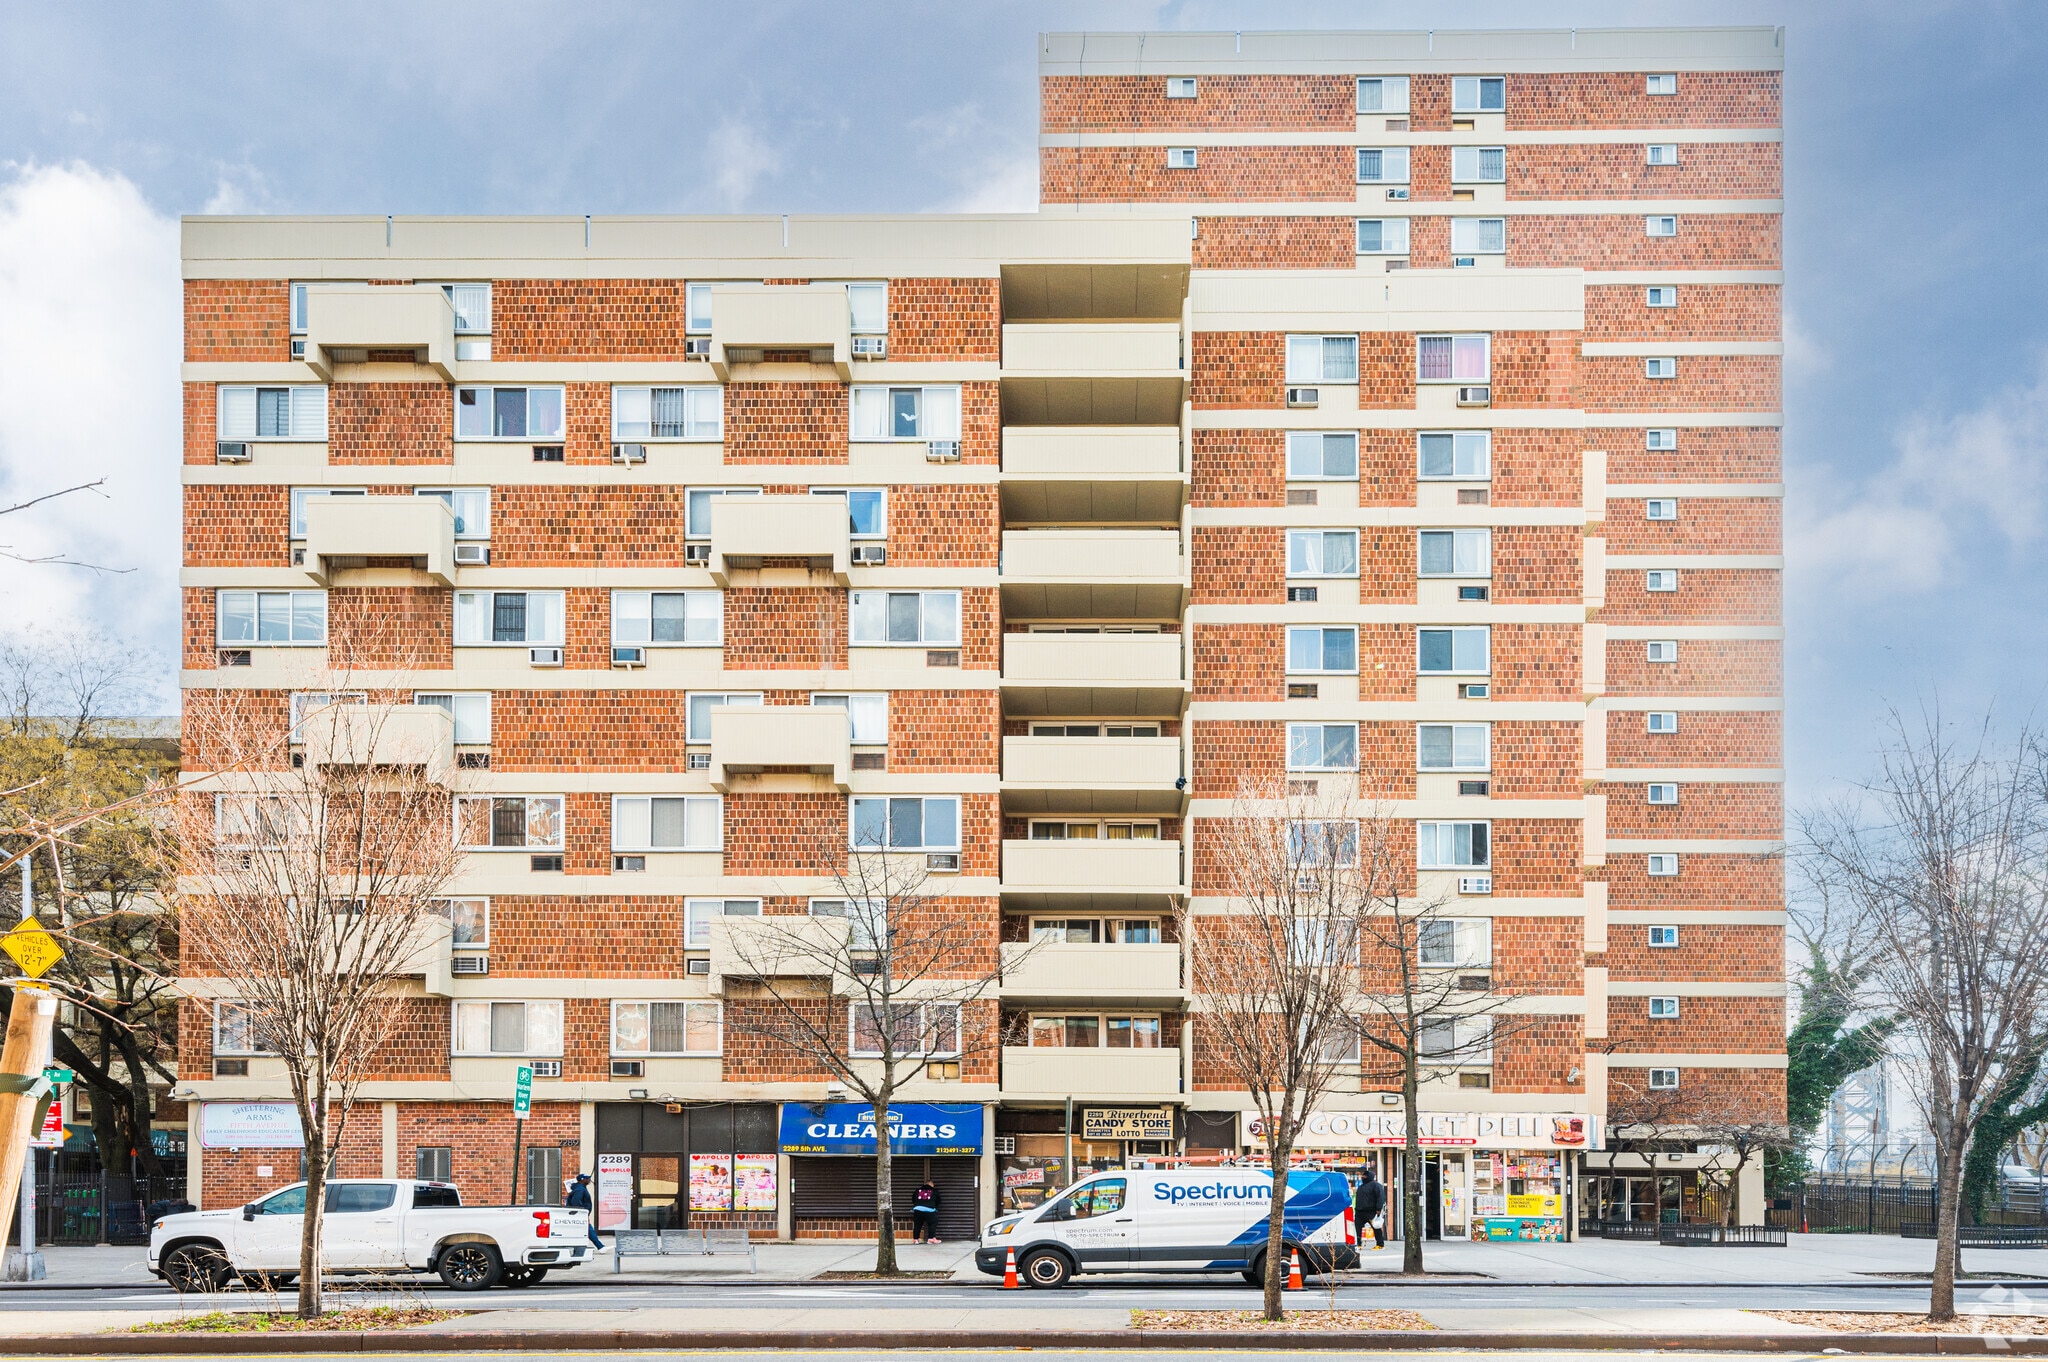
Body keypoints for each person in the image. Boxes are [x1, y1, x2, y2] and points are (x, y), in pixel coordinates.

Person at [565, 1171, 604, 1250]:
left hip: (581, 1213)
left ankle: (600, 1247)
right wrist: (581, 1212)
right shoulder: (580, 1189)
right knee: (588, 1230)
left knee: (587, 1230)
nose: (589, 1180)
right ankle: (600, 1247)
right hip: (580, 1214)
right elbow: (576, 1202)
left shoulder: (580, 1188)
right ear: (582, 1180)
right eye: (587, 1179)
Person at [1354, 1166, 1386, 1250]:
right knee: (1357, 1228)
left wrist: (1378, 1208)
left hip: (1371, 1211)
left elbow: (1380, 1197)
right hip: (1359, 1211)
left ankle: (1380, 1244)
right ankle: (1359, 1244)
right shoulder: (1361, 1187)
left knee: (1376, 1227)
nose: (1363, 1177)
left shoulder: (1376, 1185)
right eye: (1363, 1175)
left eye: (1365, 1175)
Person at [910, 1179, 941, 1244]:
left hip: (918, 1209)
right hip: (930, 1210)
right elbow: (938, 1201)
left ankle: (916, 1240)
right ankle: (931, 1239)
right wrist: (934, 1207)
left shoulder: (917, 1190)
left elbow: (913, 1200)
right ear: (931, 1185)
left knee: (917, 1224)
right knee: (932, 1223)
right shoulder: (934, 1190)